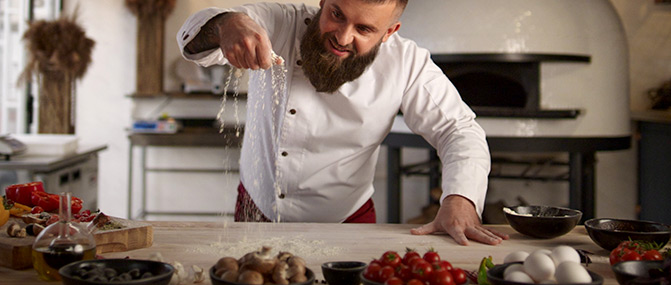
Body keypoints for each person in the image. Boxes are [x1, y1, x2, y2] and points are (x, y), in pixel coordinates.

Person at [177, 0, 508, 245]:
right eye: (336, 14)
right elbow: (192, 41)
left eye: (364, 29)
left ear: (390, 32)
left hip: (347, 221)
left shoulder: (408, 65)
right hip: (254, 207)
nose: (343, 36)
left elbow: (458, 130)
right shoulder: (281, 22)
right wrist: (228, 24)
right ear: (322, 2)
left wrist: (460, 199)